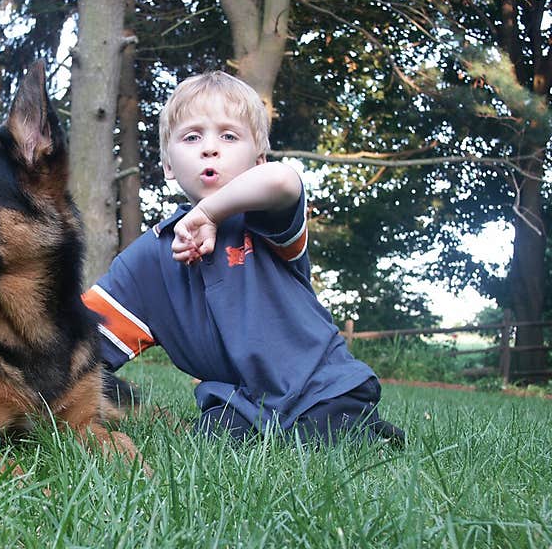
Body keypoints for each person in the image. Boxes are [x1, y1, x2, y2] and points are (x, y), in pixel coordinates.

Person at [83, 70, 404, 446]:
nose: (209, 148)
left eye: (229, 136)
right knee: (212, 438)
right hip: (241, 402)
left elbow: (282, 181)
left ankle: (368, 431)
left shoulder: (264, 219)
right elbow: (77, 338)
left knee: (321, 432)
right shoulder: (148, 259)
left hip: (321, 387)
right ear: (168, 165)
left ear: (258, 160)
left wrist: (210, 213)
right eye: (191, 136)